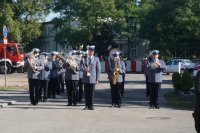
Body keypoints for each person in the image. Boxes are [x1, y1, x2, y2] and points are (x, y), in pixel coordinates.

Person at [82, 45, 101, 110]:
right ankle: (86, 105)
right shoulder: (84, 58)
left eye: (92, 51)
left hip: (93, 78)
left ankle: (91, 105)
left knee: (91, 93)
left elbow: (98, 69)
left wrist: (97, 79)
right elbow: (80, 67)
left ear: (93, 52)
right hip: (85, 77)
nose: (91, 52)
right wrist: (84, 70)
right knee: (86, 92)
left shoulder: (96, 59)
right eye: (90, 51)